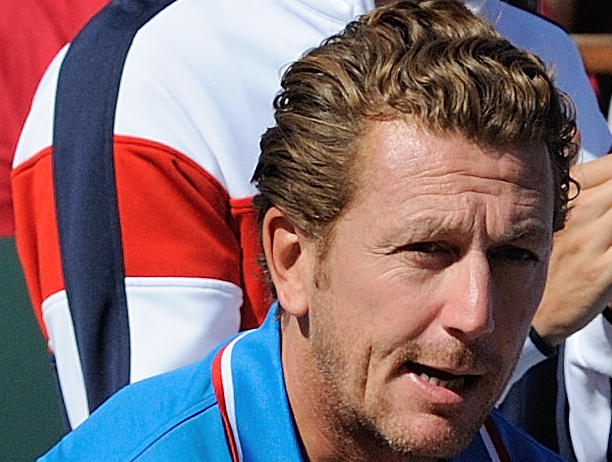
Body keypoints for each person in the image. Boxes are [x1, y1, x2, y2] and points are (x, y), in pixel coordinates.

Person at [12, 0, 610, 431]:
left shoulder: (539, 48)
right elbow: (164, 437)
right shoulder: (152, 64)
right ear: (286, 253)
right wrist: (529, 328)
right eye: (427, 248)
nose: (476, 308)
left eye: (517, 255)